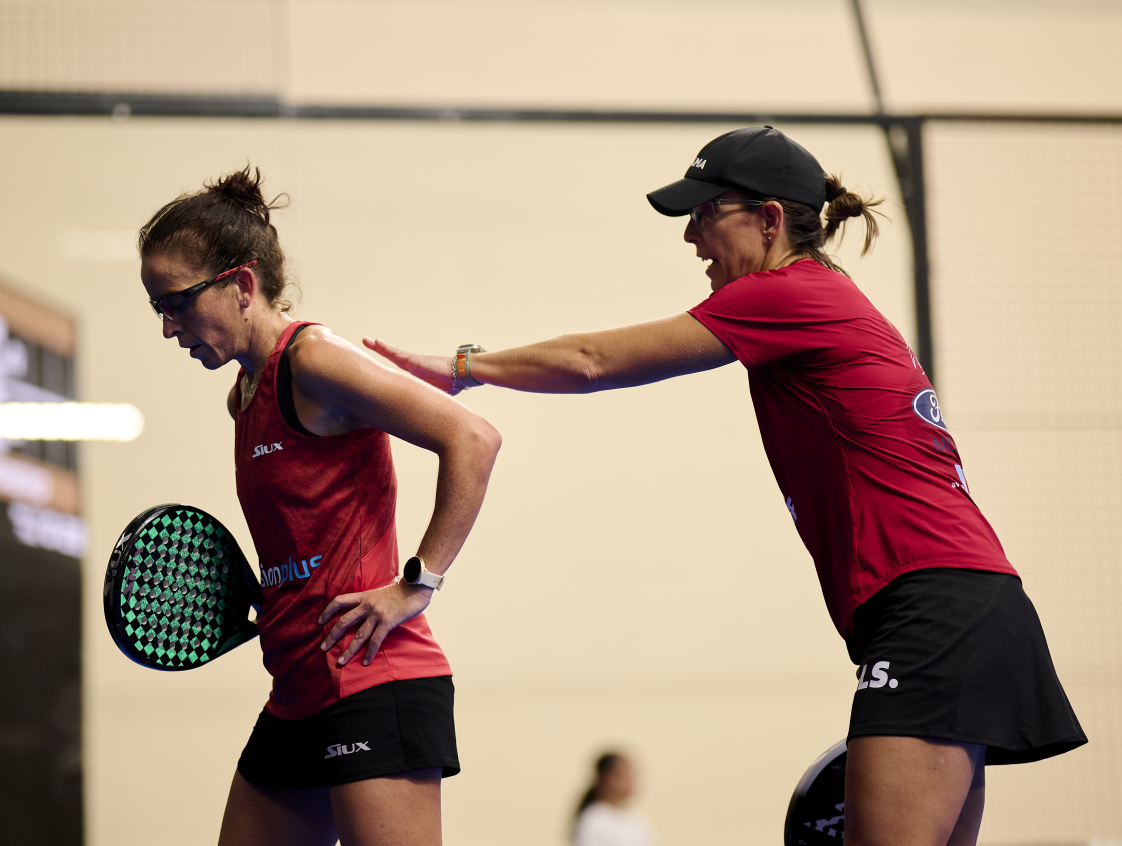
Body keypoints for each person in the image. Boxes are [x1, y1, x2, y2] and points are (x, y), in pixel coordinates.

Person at [365, 126, 1087, 846]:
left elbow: (591, 360)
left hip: (934, 605)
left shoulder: (789, 292)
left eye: (706, 213)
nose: (690, 237)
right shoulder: (824, 296)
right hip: (964, 601)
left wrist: (462, 367)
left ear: (770, 220)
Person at [138, 167, 501, 846]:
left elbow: (473, 438)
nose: (168, 326)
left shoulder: (314, 360)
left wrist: (415, 584)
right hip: (297, 689)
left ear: (242, 285)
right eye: (158, 306)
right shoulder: (243, 395)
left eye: (178, 302)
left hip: (373, 682)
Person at [572, 752, 653, 846]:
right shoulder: (594, 820)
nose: (629, 780)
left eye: (630, 774)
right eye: (622, 775)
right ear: (604, 778)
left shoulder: (638, 821)